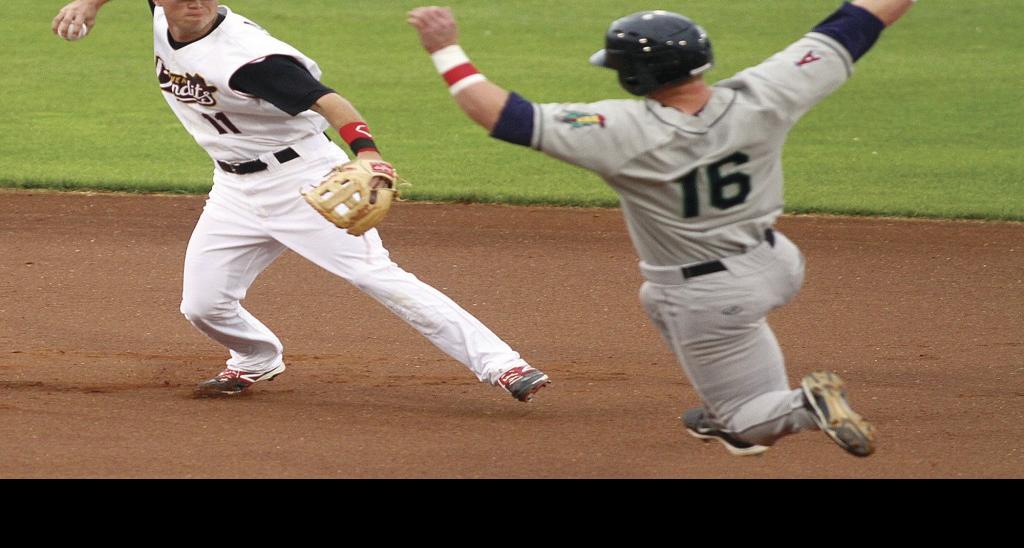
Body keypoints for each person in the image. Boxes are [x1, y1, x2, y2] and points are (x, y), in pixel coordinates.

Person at [408, 0, 918, 456]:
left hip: (708, 294)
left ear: (632, 77)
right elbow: (856, 22)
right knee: (657, 298)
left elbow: (500, 115)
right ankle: (728, 401)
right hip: (777, 261)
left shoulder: (621, 131)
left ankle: (800, 407)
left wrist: (445, 48)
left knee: (749, 422)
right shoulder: (766, 92)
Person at [50, 0, 549, 402]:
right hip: (234, 190)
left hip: (305, 180)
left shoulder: (252, 60)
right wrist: (89, 4)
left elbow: (333, 103)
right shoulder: (166, 15)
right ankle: (255, 359)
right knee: (202, 305)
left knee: (376, 276)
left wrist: (369, 155)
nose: (197, 2)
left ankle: (503, 365)